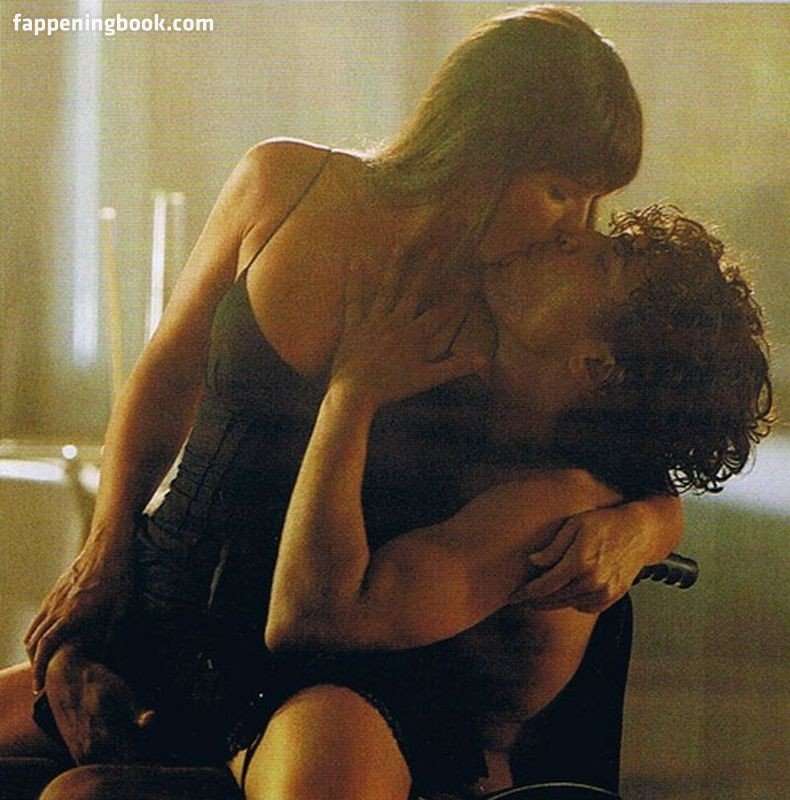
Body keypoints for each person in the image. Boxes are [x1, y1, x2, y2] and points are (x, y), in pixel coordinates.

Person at [0, 2, 683, 794]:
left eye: (594, 200)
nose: (578, 226)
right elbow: (165, 375)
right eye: (561, 191)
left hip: (320, 669)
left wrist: (642, 527)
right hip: (159, 603)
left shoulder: (510, 305)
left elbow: (623, 454)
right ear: (479, 144)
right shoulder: (284, 183)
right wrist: (105, 555)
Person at [36, 204, 773, 800]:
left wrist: (352, 391)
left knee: (87, 793)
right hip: (270, 698)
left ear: (595, 366)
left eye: (601, 260)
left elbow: (311, 618)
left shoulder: (556, 500)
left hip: (414, 757)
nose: (570, 233)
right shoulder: (483, 397)